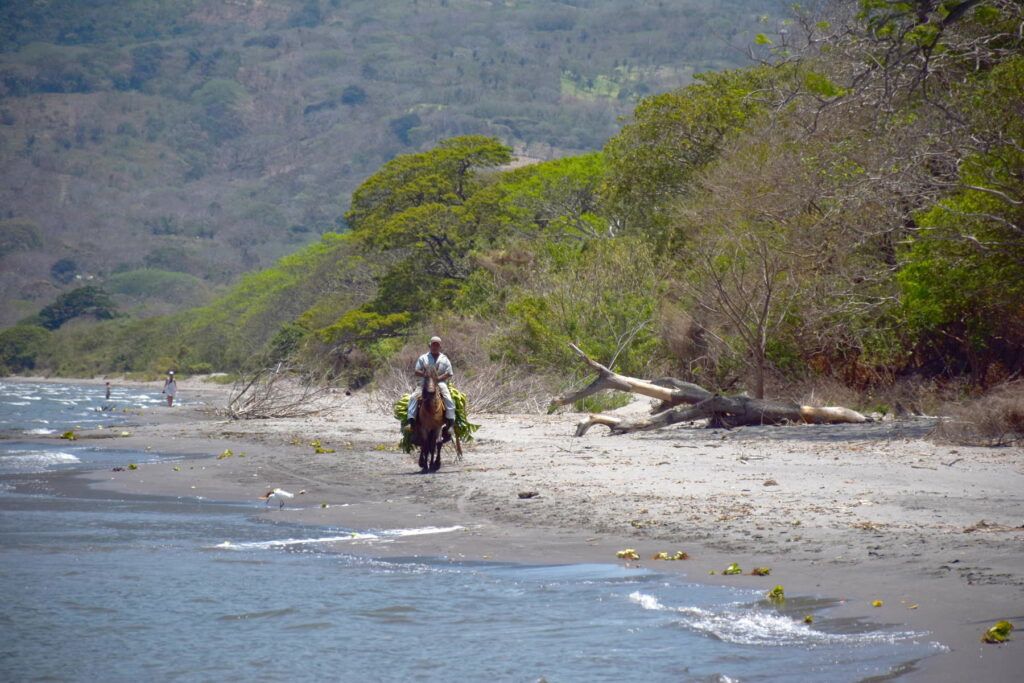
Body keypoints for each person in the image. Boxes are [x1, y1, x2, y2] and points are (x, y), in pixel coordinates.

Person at [405, 336, 455, 437]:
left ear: (440, 346)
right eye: (433, 344)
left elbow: (449, 373)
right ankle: (411, 421)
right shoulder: (423, 358)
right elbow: (416, 371)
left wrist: (437, 378)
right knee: (413, 397)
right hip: (425, 382)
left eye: (437, 345)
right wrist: (427, 376)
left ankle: (450, 423)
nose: (435, 347)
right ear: (429, 345)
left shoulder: (444, 359)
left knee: (448, 398)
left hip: (440, 382)